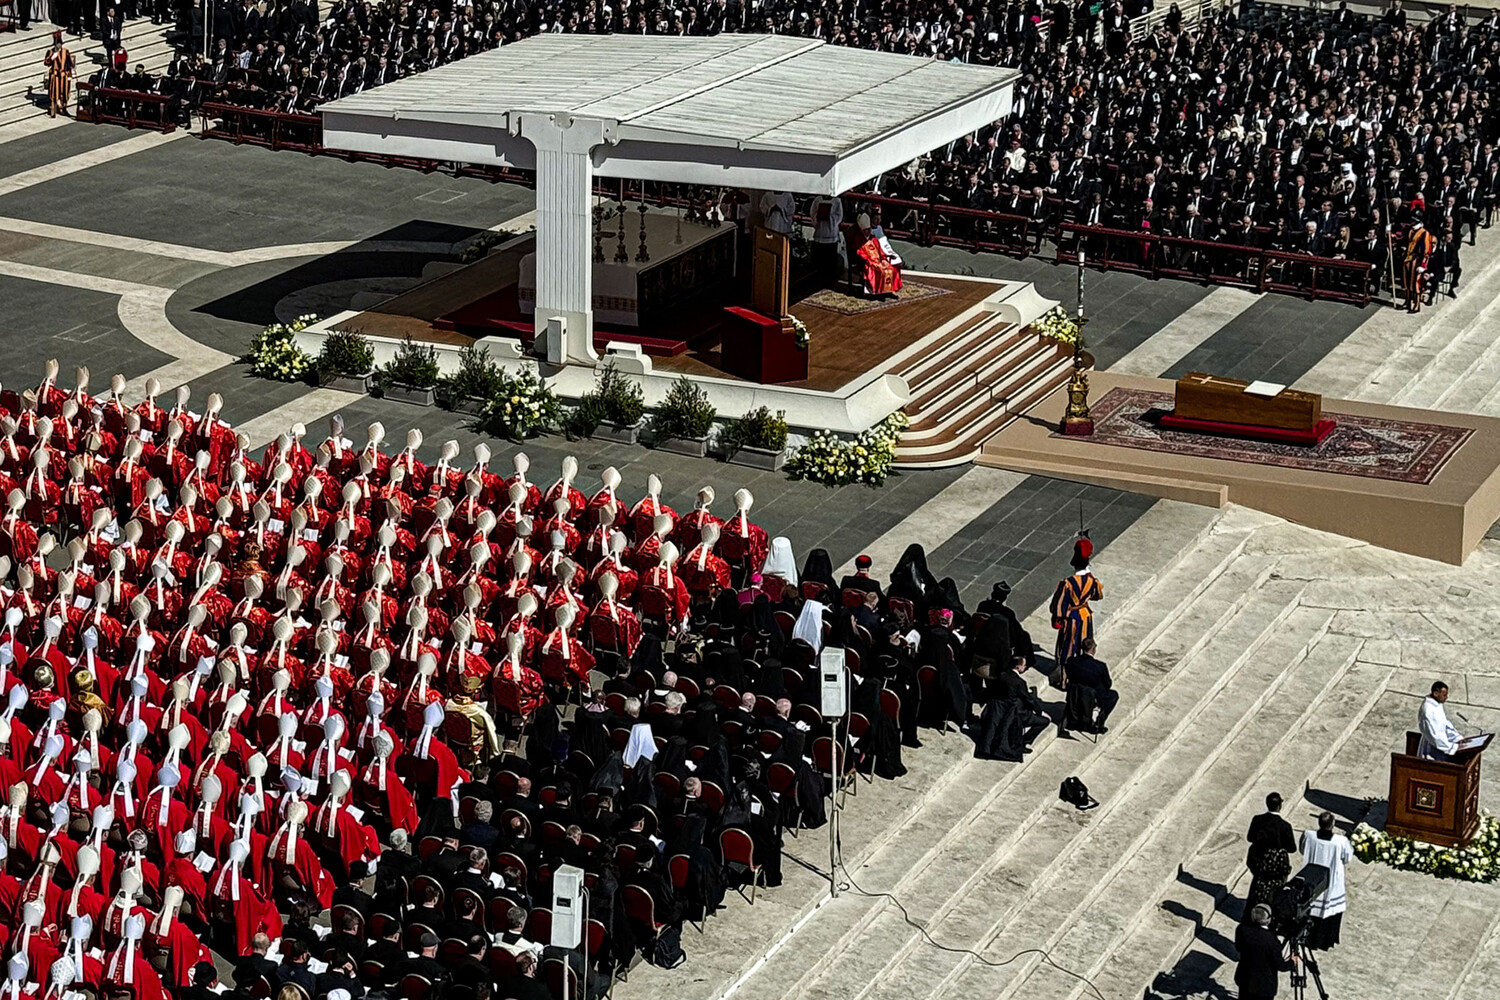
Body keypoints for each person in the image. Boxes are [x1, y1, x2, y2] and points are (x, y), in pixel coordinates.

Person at [1299, 811, 1354, 951]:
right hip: (1331, 879)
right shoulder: (1340, 841)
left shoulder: (1308, 836)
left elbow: (1302, 849)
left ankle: (1307, 937)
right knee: (1328, 909)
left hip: (1312, 876)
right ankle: (1325, 941)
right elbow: (1347, 858)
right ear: (1333, 824)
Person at [1050, 537, 1103, 679]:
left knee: (1068, 647)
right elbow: (1098, 595)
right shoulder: (1093, 581)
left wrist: (1057, 618)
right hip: (1085, 616)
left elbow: (1058, 606)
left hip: (1070, 619)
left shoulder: (1067, 583)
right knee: (1084, 646)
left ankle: (1065, 678)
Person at [1244, 793, 1298, 916]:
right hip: (1276, 866)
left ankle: (1252, 912)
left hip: (1259, 862)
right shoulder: (1285, 826)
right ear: (1280, 806)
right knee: (1275, 892)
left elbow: (1250, 837)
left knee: (1257, 886)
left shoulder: (1257, 819)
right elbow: (1292, 848)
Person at [1234, 903, 1298, 1000]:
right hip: (1264, 987)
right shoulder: (1272, 941)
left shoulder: (1242, 929)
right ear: (1268, 919)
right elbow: (1280, 965)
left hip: (1245, 979)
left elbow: (1239, 948)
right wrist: (1292, 962)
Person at [1062, 639, 1117, 733]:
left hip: (1075, 693)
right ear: (1093, 650)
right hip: (1092, 695)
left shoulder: (1071, 661)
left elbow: (1069, 675)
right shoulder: (1100, 666)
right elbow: (1108, 684)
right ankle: (1098, 722)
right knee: (1113, 695)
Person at [853, 213, 903, 297]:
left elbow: (880, 251)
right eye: (865, 230)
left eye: (869, 229)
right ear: (862, 230)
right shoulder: (858, 240)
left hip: (879, 261)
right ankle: (872, 291)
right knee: (875, 270)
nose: (868, 232)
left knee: (891, 268)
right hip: (868, 262)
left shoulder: (874, 238)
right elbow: (859, 252)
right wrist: (870, 261)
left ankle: (888, 290)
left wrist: (883, 259)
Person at [1419, 680, 1463, 760]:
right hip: (1432, 748)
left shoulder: (1437, 704)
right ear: (1435, 694)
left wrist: (1456, 737)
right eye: (1444, 695)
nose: (1446, 697)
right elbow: (1434, 736)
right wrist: (1452, 747)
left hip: (1443, 745)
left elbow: (1444, 724)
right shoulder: (1428, 710)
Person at [44, 32, 75, 120]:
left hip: (64, 75)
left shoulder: (66, 51)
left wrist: (69, 74)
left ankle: (64, 108)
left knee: (64, 92)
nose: (59, 46)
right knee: (54, 93)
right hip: (55, 76)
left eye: (60, 44)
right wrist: (51, 58)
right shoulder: (50, 52)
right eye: (58, 44)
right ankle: (53, 109)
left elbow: (69, 63)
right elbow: (46, 63)